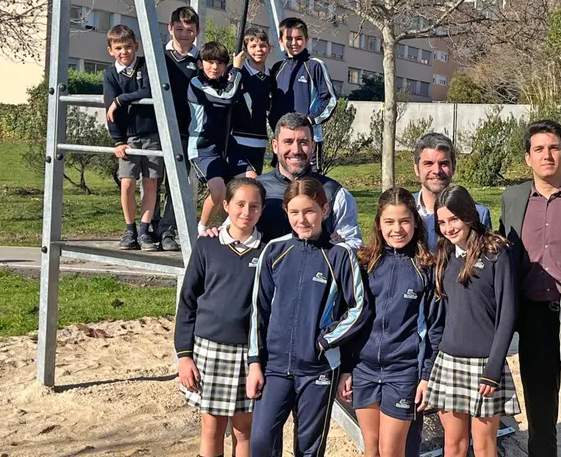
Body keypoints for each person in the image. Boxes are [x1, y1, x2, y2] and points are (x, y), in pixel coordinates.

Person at [497, 120, 561, 457]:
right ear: (528, 158)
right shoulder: (512, 199)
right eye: (539, 149)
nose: (547, 155)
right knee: (540, 404)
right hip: (532, 314)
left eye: (554, 148)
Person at [248, 177, 369, 457]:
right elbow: (259, 310)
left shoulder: (339, 256)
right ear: (286, 212)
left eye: (309, 211)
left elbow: (359, 309)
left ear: (324, 210)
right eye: (294, 212)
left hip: (318, 370)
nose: (302, 220)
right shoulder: (274, 251)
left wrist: (323, 343)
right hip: (275, 368)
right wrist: (255, 362)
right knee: (261, 443)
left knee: (309, 449)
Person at [339, 188, 444, 457]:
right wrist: (347, 368)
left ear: (415, 223)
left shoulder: (426, 267)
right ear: (378, 224)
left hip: (403, 372)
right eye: (389, 222)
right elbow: (352, 320)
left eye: (404, 221)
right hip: (364, 370)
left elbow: (434, 328)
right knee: (371, 449)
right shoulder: (364, 263)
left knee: (391, 451)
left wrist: (425, 375)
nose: (397, 229)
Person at [424, 185, 519, 457]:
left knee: (484, 446)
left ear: (468, 214)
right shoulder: (444, 254)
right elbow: (439, 315)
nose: (448, 227)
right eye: (441, 222)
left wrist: (494, 367)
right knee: (453, 445)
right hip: (448, 362)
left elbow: (507, 315)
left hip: (484, 367)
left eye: (453, 219)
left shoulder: (496, 252)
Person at [175, 177, 265, 457]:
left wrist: (257, 360)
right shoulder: (207, 246)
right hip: (208, 351)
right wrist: (184, 355)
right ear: (225, 205)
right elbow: (188, 301)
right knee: (212, 429)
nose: (246, 212)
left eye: (254, 206)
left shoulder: (268, 251)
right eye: (239, 204)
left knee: (243, 430)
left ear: (262, 210)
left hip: (249, 354)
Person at [256, 112, 362, 247]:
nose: (296, 150)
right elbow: (232, 234)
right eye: (288, 142)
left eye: (303, 142)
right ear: (275, 146)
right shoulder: (256, 189)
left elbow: (354, 246)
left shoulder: (335, 194)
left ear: (313, 146)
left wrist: (342, 246)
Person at [102, 24, 161, 251]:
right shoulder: (110, 74)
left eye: (128, 47)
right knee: (127, 183)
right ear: (110, 51)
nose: (124, 52)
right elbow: (110, 109)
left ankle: (145, 231)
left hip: (152, 133)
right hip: (127, 137)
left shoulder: (145, 66)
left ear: (135, 46)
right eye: (118, 48)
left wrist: (121, 99)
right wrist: (117, 140)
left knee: (151, 182)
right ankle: (129, 229)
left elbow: (149, 91)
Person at [187, 41, 253, 234]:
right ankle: (202, 231)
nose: (215, 67)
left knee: (251, 182)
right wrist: (237, 70)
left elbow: (237, 95)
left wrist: (234, 74)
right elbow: (226, 97)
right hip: (202, 147)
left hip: (227, 144)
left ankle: (230, 229)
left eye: (220, 63)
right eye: (210, 62)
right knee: (219, 191)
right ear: (200, 64)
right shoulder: (196, 84)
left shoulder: (226, 81)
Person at [156, 6, 202, 251]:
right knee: (152, 180)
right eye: (179, 29)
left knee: (177, 184)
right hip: (157, 130)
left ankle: (167, 229)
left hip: (187, 132)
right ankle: (147, 228)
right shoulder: (158, 58)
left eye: (190, 30)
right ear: (170, 28)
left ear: (197, 32)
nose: (184, 34)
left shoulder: (202, 61)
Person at [269, 18, 337, 172]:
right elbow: (271, 102)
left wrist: (310, 119)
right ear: (281, 41)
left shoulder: (315, 65)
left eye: (299, 38)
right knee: (284, 185)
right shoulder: (277, 68)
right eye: (289, 38)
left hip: (309, 139)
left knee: (309, 186)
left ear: (306, 40)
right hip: (284, 140)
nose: (294, 43)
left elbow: (329, 99)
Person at [412, 133, 491, 249]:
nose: (437, 170)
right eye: (428, 163)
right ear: (416, 168)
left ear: (453, 166)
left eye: (443, 163)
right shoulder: (403, 210)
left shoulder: (478, 214)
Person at [232, 26, 276, 176]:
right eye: (253, 46)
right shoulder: (238, 73)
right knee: (239, 185)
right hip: (237, 139)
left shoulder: (273, 77)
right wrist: (235, 70)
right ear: (245, 49)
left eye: (263, 45)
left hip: (260, 141)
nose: (259, 50)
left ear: (269, 48)